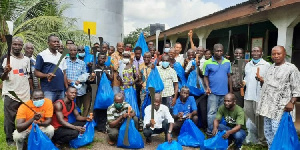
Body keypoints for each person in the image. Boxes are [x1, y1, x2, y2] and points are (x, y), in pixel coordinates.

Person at [256, 46, 300, 148]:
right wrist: (262, 81)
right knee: (268, 133)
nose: (276, 56)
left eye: (278, 53)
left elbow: (297, 88)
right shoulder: (270, 67)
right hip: (267, 108)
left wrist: (292, 102)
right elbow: (269, 85)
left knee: (279, 133)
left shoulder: (291, 69)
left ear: (284, 54)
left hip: (281, 108)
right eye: (273, 54)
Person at [0, 36, 31, 145]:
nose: (17, 46)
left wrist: (33, 91)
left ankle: (24, 137)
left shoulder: (27, 60)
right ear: (11, 45)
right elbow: (2, 78)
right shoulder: (5, 58)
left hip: (25, 94)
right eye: (15, 44)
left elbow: (29, 76)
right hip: (11, 93)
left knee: (25, 117)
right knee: (9, 119)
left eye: (19, 45)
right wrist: (5, 72)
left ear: (22, 46)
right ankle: (10, 140)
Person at [203, 43, 232, 134]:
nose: (219, 52)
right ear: (213, 51)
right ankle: (210, 131)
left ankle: (218, 131)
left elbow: (229, 76)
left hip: (224, 94)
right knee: (212, 113)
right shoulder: (207, 63)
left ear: (223, 51)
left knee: (221, 113)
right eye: (217, 51)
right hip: (213, 93)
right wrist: (207, 87)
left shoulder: (227, 62)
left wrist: (230, 91)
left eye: (221, 51)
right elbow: (205, 76)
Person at [243, 46, 270, 145]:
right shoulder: (248, 65)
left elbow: (269, 81)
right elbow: (246, 78)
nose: (255, 53)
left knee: (260, 118)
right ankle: (252, 137)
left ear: (261, 53)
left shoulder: (266, 65)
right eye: (253, 51)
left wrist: (262, 79)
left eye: (257, 51)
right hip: (248, 96)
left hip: (260, 97)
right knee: (249, 117)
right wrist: (243, 83)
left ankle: (262, 140)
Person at [35, 35, 68, 102]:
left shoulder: (61, 56)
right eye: (54, 42)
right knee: (48, 109)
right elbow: (36, 72)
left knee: (59, 109)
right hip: (48, 90)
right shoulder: (42, 55)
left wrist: (67, 88)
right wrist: (47, 75)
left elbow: (64, 73)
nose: (56, 43)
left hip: (60, 90)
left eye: (57, 42)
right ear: (48, 43)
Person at [89, 52, 114, 133]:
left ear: (105, 59)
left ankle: (103, 126)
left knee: (105, 108)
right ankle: (96, 124)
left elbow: (111, 79)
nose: (102, 60)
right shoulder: (94, 68)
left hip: (106, 92)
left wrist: (107, 74)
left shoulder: (108, 68)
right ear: (97, 58)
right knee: (96, 108)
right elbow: (90, 79)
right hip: (96, 91)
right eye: (100, 58)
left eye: (103, 58)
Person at [66, 45, 89, 116]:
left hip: (78, 90)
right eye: (71, 50)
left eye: (75, 50)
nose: (73, 52)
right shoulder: (64, 61)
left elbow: (85, 74)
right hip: (67, 88)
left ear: (77, 52)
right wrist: (66, 80)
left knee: (77, 106)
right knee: (68, 106)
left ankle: (77, 121)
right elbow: (61, 74)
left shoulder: (81, 63)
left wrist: (80, 80)